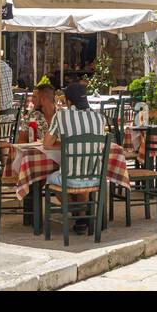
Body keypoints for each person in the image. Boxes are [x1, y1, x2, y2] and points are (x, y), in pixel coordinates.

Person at [44, 81, 105, 234]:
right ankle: (82, 216)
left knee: (50, 179)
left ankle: (76, 213)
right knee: (83, 170)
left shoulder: (61, 115)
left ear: (68, 101)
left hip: (69, 177)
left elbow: (47, 144)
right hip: (95, 176)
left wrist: (67, 144)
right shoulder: (100, 118)